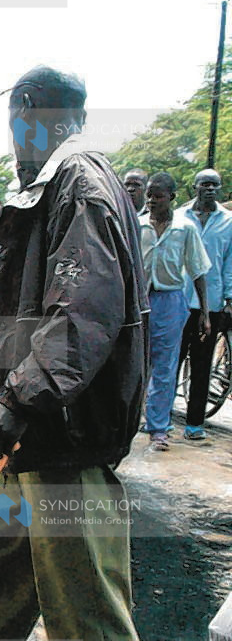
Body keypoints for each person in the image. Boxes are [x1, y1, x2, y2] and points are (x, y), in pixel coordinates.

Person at [0, 66, 147, 641]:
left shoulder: (80, 184)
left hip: (64, 451)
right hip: (35, 447)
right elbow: (49, 305)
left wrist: (20, 396)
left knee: (91, 624)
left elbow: (85, 312)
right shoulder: (57, 184)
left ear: (26, 109)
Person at [140, 172, 210, 450]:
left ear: (171, 197)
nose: (152, 200)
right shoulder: (138, 225)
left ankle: (158, 428)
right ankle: (130, 421)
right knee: (136, 364)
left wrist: (204, 312)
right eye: (149, 195)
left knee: (165, 367)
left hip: (170, 301)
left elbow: (197, 271)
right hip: (140, 302)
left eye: (157, 196)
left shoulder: (185, 228)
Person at [177, 168, 232, 440]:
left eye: (215, 185)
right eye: (205, 184)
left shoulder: (228, 222)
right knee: (170, 363)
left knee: (201, 365)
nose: (210, 189)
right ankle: (159, 420)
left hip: (209, 305)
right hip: (177, 301)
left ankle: (194, 424)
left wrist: (229, 299)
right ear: (194, 187)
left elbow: (230, 264)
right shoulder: (180, 217)